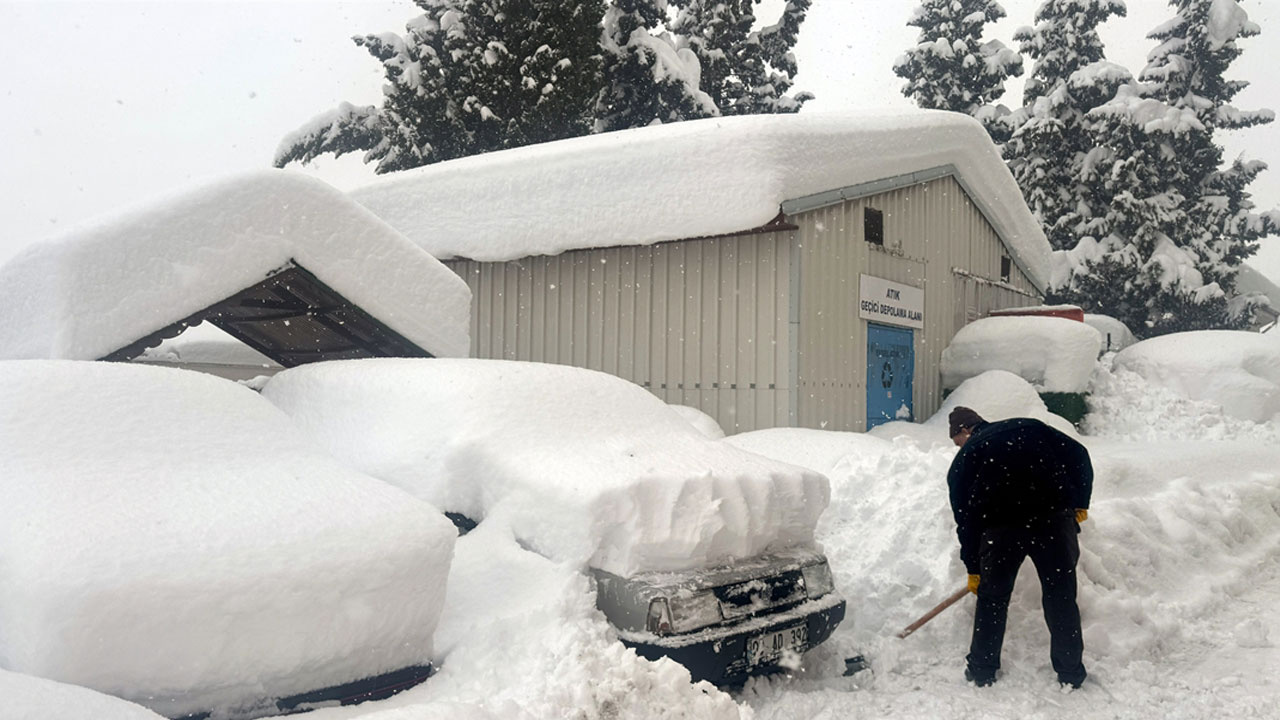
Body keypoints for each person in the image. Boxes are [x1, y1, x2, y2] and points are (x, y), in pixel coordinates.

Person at [946, 406, 1092, 689]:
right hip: (1053, 522)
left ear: (964, 430)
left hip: (1002, 530)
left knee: (992, 600)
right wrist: (1080, 501)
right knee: (1061, 597)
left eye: (956, 442)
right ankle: (1071, 673)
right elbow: (1079, 456)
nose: (958, 448)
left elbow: (965, 520)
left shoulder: (967, 456)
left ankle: (982, 670)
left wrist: (974, 568)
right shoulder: (1030, 426)